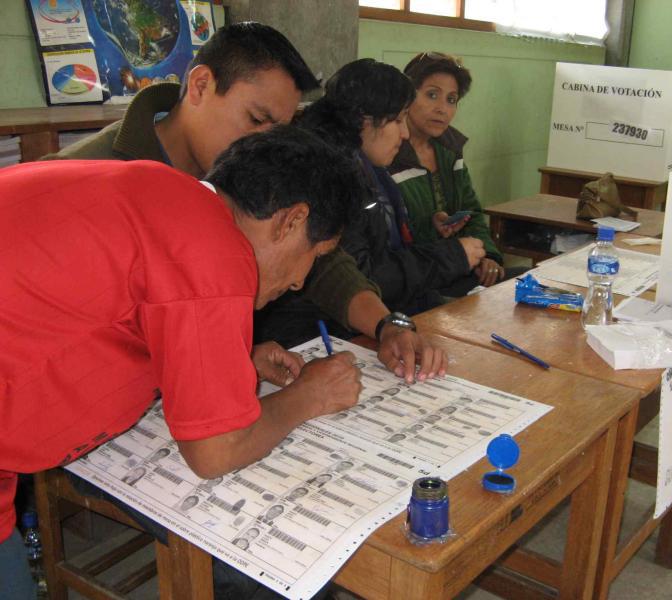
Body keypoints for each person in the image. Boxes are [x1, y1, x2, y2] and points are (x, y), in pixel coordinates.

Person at [0, 127, 364, 599]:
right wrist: (310, 396)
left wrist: (230, 357)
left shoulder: (168, 193)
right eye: (316, 255)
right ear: (292, 221)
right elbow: (216, 452)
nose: (299, 281)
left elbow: (101, 303)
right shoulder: (212, 249)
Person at [46, 22, 447, 385]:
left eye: (279, 129)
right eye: (256, 120)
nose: (265, 142)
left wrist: (386, 324)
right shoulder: (89, 176)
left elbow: (314, 255)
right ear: (201, 85)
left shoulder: (251, 166)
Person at [299, 58, 487, 315]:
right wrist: (450, 256)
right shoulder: (334, 180)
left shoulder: (371, 170)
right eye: (398, 120)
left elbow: (387, 247)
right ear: (363, 120)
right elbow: (364, 279)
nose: (405, 133)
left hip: (397, 306)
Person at [389, 52, 523, 294]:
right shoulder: (388, 154)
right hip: (416, 283)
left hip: (458, 268)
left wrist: (487, 255)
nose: (442, 109)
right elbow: (391, 243)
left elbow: (471, 212)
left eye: (451, 100)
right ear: (407, 97)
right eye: (432, 95)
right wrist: (433, 229)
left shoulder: (450, 150)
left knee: (527, 283)